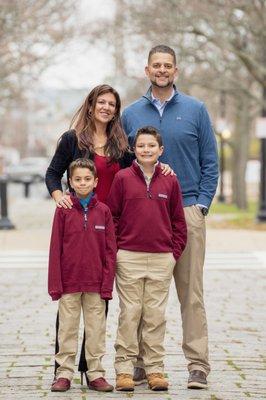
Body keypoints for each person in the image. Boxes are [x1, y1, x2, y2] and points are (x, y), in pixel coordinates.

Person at [45, 83, 173, 376]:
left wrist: (162, 167)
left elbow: (140, 167)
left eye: (111, 104)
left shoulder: (121, 144)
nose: (106, 107)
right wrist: (60, 198)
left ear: (116, 111)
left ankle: (90, 366)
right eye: (101, 102)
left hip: (110, 226)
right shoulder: (72, 140)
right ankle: (61, 367)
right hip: (78, 223)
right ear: (90, 106)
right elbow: (53, 173)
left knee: (98, 296)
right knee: (70, 295)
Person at [121, 45, 219, 389]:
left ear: (175, 71)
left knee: (191, 292)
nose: (162, 70)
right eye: (156, 66)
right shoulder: (131, 114)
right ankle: (139, 364)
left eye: (168, 66)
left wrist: (202, 204)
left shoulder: (196, 109)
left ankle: (198, 365)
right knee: (142, 293)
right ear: (147, 71)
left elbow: (210, 160)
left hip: (188, 208)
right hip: (144, 216)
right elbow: (123, 165)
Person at [107, 126, 187, 392]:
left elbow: (178, 221)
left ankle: (155, 369)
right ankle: (124, 370)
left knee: (155, 315)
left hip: (162, 258)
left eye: (151, 146)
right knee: (130, 313)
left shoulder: (170, 180)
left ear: (160, 150)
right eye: (141, 146)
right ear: (134, 149)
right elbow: (113, 217)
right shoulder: (123, 178)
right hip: (129, 256)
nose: (146, 150)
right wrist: (118, 250)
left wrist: (173, 254)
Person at [48, 158, 116, 393]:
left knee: (96, 329)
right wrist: (55, 285)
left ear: (96, 182)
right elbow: (55, 249)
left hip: (96, 284)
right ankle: (63, 373)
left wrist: (107, 285)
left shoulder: (104, 212)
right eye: (78, 179)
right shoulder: (64, 211)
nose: (83, 183)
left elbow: (110, 251)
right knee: (66, 329)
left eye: (88, 179)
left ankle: (95, 373)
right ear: (70, 182)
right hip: (69, 283)